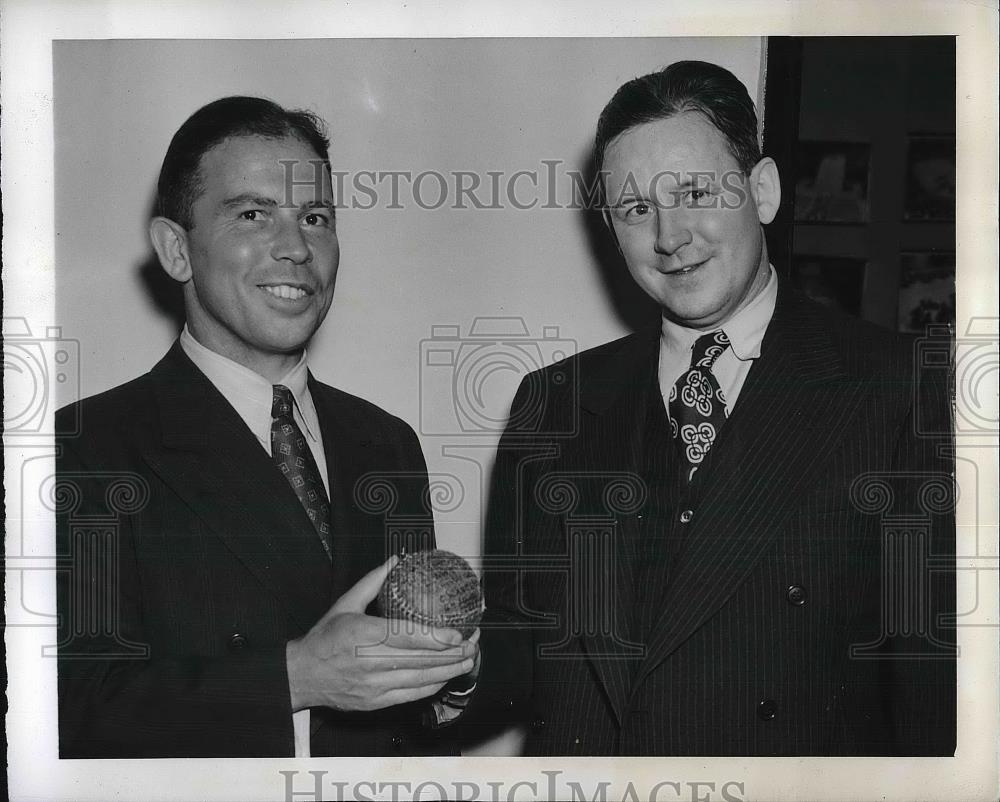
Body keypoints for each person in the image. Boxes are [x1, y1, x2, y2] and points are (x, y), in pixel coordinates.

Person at [469, 61, 955, 755]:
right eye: (637, 209)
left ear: (763, 191)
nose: (670, 237)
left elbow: (932, 697)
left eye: (694, 191)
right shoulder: (553, 403)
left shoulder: (902, 388)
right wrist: (443, 669)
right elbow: (517, 653)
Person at [54, 96, 477, 758]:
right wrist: (293, 679)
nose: (295, 248)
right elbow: (66, 715)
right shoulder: (83, 448)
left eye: (315, 218)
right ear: (176, 250)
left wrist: (447, 686)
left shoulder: (386, 443)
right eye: (253, 214)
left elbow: (408, 728)